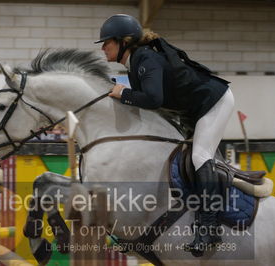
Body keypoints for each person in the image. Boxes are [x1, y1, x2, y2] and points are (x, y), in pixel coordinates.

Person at [95, 14, 235, 252]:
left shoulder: (145, 59)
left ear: (123, 42)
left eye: (107, 42)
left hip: (214, 103)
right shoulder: (135, 63)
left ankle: (209, 230)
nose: (103, 48)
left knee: (200, 157)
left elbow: (153, 99)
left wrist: (123, 94)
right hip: (192, 110)